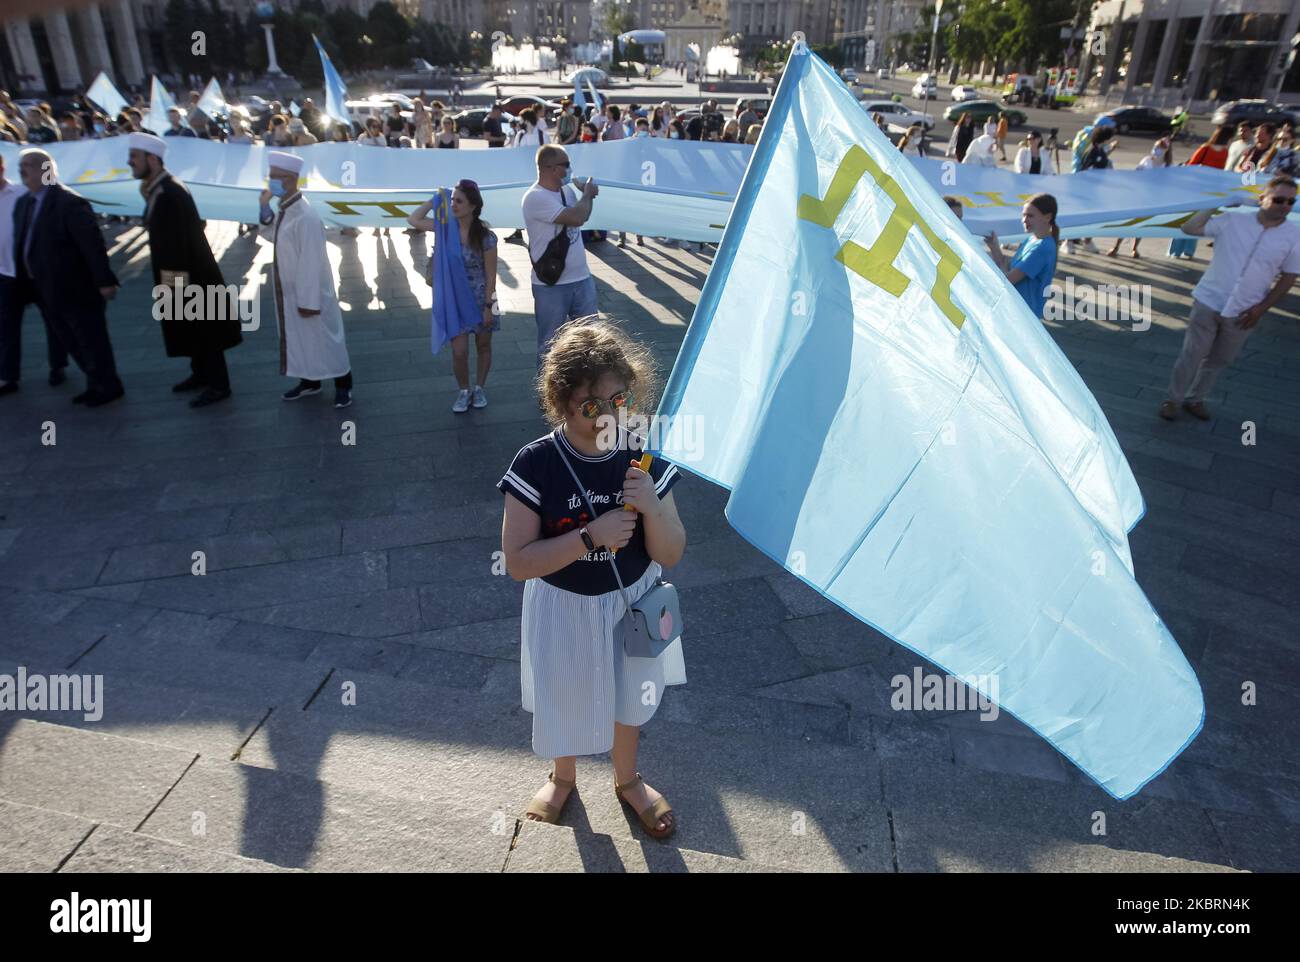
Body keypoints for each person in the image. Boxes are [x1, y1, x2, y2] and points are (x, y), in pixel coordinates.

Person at [497, 316, 686, 838]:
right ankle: (563, 777)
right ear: (561, 402)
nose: (608, 416)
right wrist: (588, 536)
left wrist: (652, 507)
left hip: (634, 602)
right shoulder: (537, 463)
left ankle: (628, 780)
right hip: (565, 604)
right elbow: (518, 562)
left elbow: (671, 550)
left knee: (631, 696)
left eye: (620, 399)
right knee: (564, 692)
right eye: (591, 406)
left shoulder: (643, 452)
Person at [1159, 175, 1300, 421]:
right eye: (1279, 199)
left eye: (1291, 201)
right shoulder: (1233, 220)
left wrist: (1261, 309)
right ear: (1262, 199)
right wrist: (1216, 204)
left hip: (1245, 309)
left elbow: (1289, 276)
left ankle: (1197, 399)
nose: (1285, 205)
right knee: (1193, 354)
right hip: (1209, 299)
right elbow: (1189, 228)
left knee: (1221, 359)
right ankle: (1173, 399)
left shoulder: (1294, 235)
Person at [128, 132, 240, 407]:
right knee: (191, 329)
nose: (130, 163)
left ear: (151, 159)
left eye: (134, 157)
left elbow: (178, 242)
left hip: (188, 277)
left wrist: (175, 285)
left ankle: (218, 384)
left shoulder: (168, 191)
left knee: (203, 330)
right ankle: (200, 374)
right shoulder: (160, 187)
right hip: (180, 275)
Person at [12, 149, 122, 405]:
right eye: (20, 166)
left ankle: (108, 386)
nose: (22, 170)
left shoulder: (68, 202)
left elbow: (92, 245)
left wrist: (104, 280)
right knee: (69, 340)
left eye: (27, 165)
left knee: (90, 339)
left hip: (75, 287)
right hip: (42, 288)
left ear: (46, 170)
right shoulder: (25, 202)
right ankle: (95, 382)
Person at [257, 151, 354, 408]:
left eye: (275, 177)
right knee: (300, 340)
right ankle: (310, 382)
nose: (271, 182)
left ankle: (344, 385)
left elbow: (312, 262)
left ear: (289, 179)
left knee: (326, 341)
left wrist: (308, 301)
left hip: (308, 295)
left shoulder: (306, 215)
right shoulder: (286, 210)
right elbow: (272, 236)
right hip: (291, 293)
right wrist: (263, 209)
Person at [407, 179, 498, 412]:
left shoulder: (486, 236)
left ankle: (479, 388)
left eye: (459, 201)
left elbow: (490, 275)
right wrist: (434, 200)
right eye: (452, 200)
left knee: (484, 346)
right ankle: (463, 390)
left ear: (472, 206)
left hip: (482, 299)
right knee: (459, 351)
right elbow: (413, 219)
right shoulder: (444, 227)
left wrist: (488, 306)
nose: (453, 205)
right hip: (454, 300)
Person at [522, 145, 599, 363]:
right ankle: (547, 396)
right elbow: (576, 217)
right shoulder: (535, 197)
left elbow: (583, 215)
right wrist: (587, 193)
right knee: (550, 346)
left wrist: (586, 197)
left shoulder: (566, 191)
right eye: (566, 165)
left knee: (592, 341)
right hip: (551, 285)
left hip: (581, 278)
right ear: (552, 168)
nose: (569, 169)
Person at [0, 151, 68, 396]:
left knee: (53, 320)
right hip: (5, 273)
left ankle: (57, 365)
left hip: (34, 271)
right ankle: (7, 376)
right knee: (6, 326)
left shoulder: (22, 194)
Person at [982, 193, 1060, 320]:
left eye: (1030, 216)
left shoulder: (1043, 247)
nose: (1024, 220)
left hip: (1024, 316)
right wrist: (994, 247)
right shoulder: (1031, 240)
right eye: (1023, 215)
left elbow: (1008, 281)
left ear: (1047, 217)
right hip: (1015, 311)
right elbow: (1008, 269)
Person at [1171, 125, 1234, 259]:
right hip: (1208, 192)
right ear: (1227, 138)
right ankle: (1189, 251)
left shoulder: (1205, 148)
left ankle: (1175, 250)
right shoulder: (1224, 152)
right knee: (1199, 220)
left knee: (1185, 218)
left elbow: (1191, 166)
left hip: (1194, 189)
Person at [1107, 137, 1172, 259]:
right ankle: (1116, 246)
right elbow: (1136, 173)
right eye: (1155, 146)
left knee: (1142, 224)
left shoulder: (1166, 165)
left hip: (1152, 199)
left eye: (1159, 147)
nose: (1156, 149)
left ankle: (1134, 248)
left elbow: (1166, 182)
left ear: (1166, 150)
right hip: (1138, 195)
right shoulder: (1147, 160)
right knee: (1127, 222)